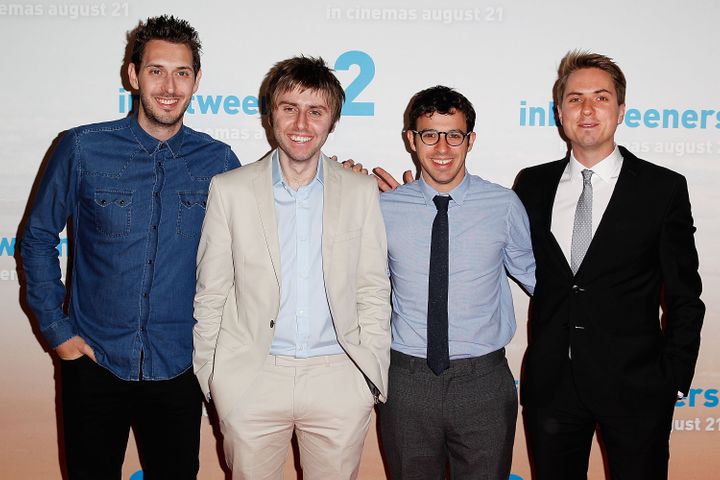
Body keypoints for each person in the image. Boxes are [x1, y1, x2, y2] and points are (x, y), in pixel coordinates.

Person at [20, 15, 240, 479]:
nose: (169, 86)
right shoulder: (81, 148)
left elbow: (252, 249)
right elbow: (38, 237)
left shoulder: (219, 162)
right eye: (156, 70)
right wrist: (58, 333)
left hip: (179, 366)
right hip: (94, 362)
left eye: (182, 73)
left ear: (197, 81)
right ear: (132, 74)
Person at [192, 56, 391, 480]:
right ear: (270, 114)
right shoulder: (229, 190)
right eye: (289, 108)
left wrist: (368, 375)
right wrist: (214, 378)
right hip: (252, 378)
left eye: (315, 111)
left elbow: (372, 287)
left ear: (332, 121)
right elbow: (211, 291)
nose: (301, 122)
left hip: (339, 376)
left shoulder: (359, 191)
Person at [513, 51, 704, 479]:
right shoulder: (531, 184)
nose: (586, 109)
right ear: (558, 112)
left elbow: (685, 295)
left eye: (600, 98)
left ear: (620, 111)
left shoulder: (662, 188)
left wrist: (671, 378)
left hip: (637, 388)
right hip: (552, 389)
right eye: (575, 98)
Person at [377, 85, 535, 479]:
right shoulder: (383, 208)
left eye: (454, 135)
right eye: (429, 134)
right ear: (411, 140)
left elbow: (540, 280)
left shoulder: (503, 205)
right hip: (406, 381)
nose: (442, 147)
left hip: (482, 382)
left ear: (471, 140)